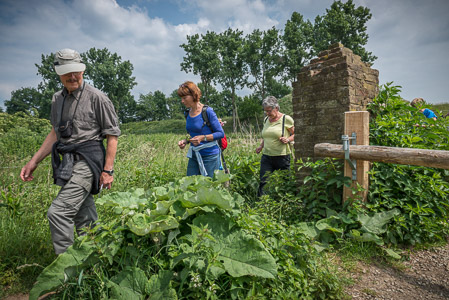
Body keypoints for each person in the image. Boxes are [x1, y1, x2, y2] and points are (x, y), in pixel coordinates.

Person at [20, 48, 121, 255]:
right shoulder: (57, 99)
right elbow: (55, 134)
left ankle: (66, 272)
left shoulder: (97, 98)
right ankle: (95, 263)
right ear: (58, 72)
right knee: (85, 216)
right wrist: (34, 161)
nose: (73, 76)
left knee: (58, 212)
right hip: (68, 160)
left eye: (77, 71)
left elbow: (112, 135)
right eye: (68, 72)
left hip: (89, 160)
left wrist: (108, 171)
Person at [177, 81, 224, 178]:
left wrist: (203, 138)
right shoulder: (187, 113)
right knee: (191, 185)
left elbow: (220, 133)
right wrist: (186, 141)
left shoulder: (207, 111)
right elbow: (194, 134)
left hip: (210, 155)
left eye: (184, 98)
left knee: (209, 187)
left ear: (193, 95)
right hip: (194, 155)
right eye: (181, 98)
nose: (182, 101)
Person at [255, 96, 294, 197]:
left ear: (276, 108)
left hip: (282, 156)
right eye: (265, 111)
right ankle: (261, 204)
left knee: (285, 182)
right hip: (267, 156)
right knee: (264, 181)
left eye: (269, 111)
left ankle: (286, 201)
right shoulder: (266, 120)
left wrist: (288, 139)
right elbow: (266, 135)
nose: (267, 113)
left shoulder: (286, 119)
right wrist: (261, 146)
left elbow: (296, 134)